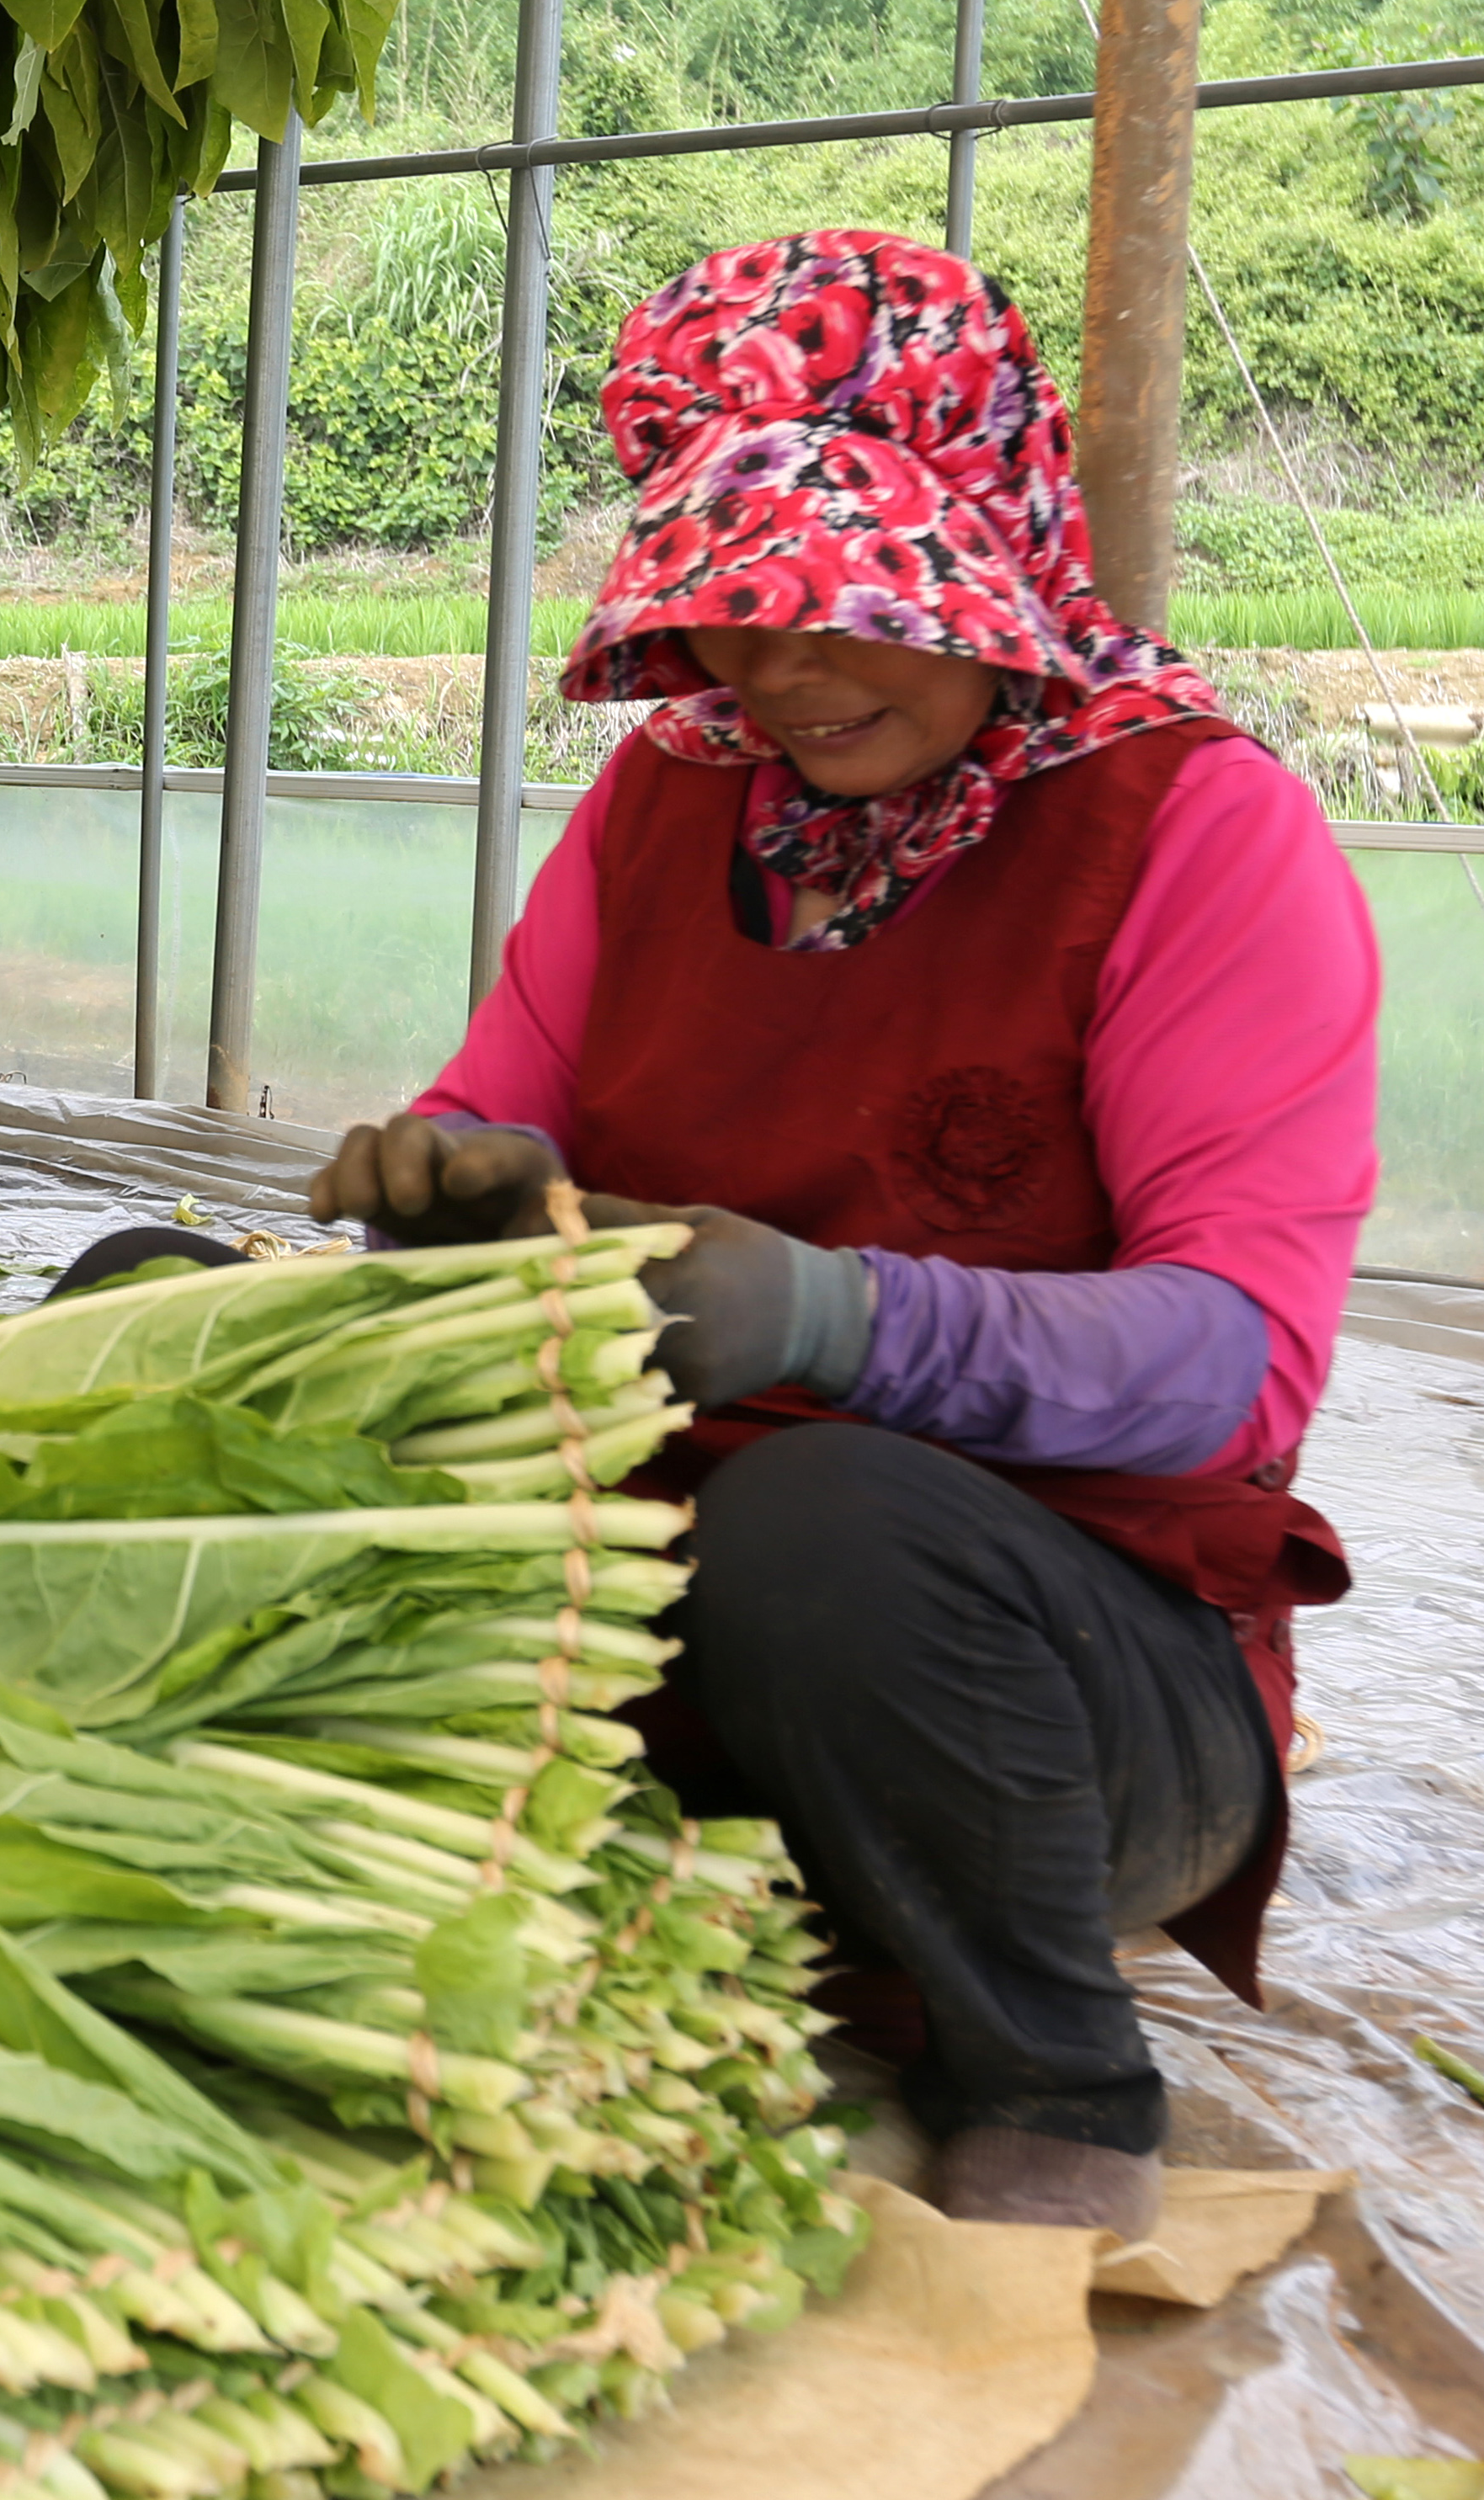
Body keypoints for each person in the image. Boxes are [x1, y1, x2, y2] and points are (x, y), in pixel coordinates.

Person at [309, 230, 1378, 2240]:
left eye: (845, 607)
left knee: (825, 1521)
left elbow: (1235, 1368)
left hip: (1044, 1680)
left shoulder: (1195, 830)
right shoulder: (667, 802)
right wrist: (450, 1180)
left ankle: (1050, 2072)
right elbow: (504, 1097)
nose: (781, 670)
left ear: (996, 555)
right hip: (653, 1609)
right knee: (173, 1342)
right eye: (732, 608)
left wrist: (837, 1318)